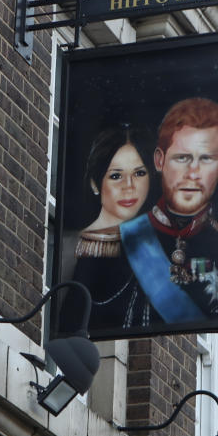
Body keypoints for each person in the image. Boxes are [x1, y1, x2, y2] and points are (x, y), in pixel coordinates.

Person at [115, 97, 218, 326]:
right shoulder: (120, 242)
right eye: (182, 158)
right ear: (159, 160)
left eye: (206, 158)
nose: (193, 172)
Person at [60, 126, 157, 330]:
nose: (129, 185)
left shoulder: (153, 251)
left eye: (139, 173)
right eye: (115, 176)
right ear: (95, 183)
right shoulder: (69, 247)